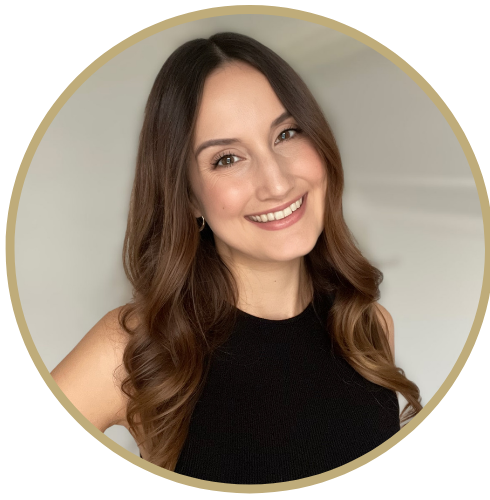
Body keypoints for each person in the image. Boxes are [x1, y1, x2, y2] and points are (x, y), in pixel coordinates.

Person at [51, 32, 422, 484]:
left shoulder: (368, 325)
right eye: (227, 159)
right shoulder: (136, 346)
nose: (277, 182)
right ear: (188, 197)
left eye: (287, 133)